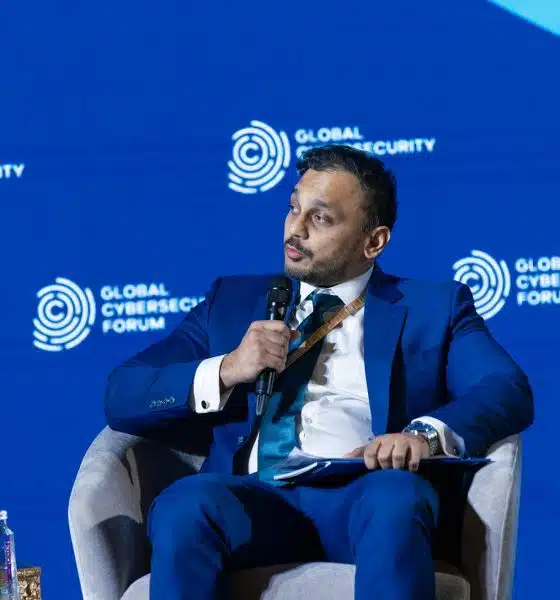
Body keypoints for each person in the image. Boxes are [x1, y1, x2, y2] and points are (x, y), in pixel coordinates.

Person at [105, 144, 534, 600]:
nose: (296, 229)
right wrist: (228, 368)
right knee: (185, 504)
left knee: (394, 497)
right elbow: (123, 393)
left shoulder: (434, 308)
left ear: (374, 242)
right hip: (252, 504)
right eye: (293, 208)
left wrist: (422, 436)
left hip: (363, 498)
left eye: (321, 218)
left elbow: (505, 387)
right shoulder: (231, 302)